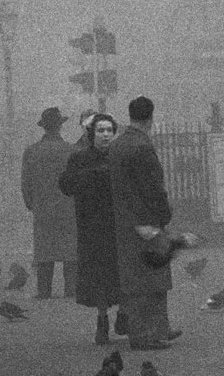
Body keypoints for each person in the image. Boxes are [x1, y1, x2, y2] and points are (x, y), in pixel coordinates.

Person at [110, 95, 179, 351]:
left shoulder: (118, 145)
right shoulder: (141, 147)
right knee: (153, 278)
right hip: (146, 222)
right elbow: (153, 187)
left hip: (124, 220)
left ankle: (154, 329)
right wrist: (163, 214)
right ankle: (147, 334)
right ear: (150, 117)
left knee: (136, 278)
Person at [57, 111, 120, 343]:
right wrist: (92, 176)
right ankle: (102, 320)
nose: (105, 135)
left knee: (121, 272)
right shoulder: (80, 158)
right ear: (92, 133)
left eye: (109, 131)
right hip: (92, 226)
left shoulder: (120, 157)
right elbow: (66, 184)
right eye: (101, 130)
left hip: (117, 224)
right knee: (100, 277)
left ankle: (123, 314)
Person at [20, 107, 78, 299]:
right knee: (70, 250)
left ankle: (44, 290)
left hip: (43, 208)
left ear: (44, 127)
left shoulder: (32, 152)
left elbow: (26, 183)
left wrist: (31, 203)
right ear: (60, 126)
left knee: (44, 250)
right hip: (68, 207)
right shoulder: (71, 151)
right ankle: (71, 289)